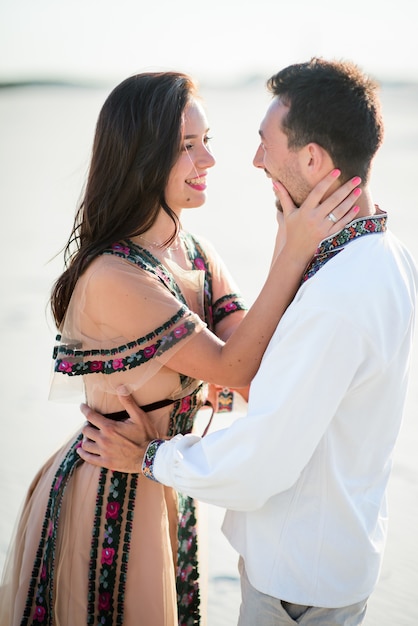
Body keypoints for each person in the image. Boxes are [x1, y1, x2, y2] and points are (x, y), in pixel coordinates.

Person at [0, 71, 360, 626]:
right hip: (108, 485)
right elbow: (232, 363)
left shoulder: (193, 252)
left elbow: (248, 370)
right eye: (188, 147)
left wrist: (295, 247)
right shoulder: (113, 273)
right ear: (143, 158)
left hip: (163, 474)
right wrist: (291, 249)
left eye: (207, 141)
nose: (210, 161)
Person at [78, 59, 418, 626]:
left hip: (298, 579)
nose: (253, 160)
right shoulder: (387, 256)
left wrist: (152, 455)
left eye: (265, 144)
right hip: (326, 556)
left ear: (312, 159)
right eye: (191, 144)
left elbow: (262, 459)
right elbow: (265, 380)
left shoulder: (338, 291)